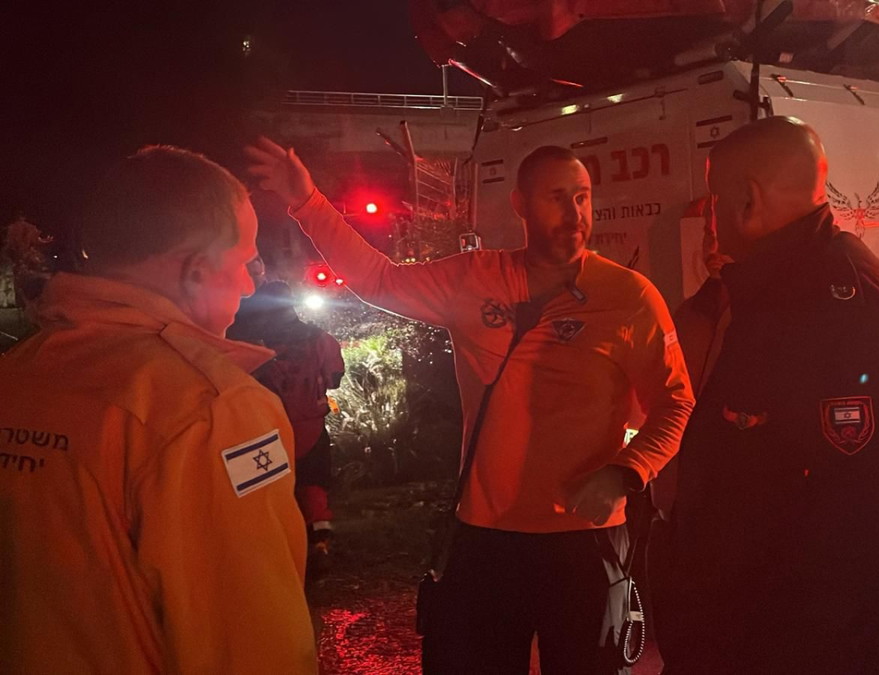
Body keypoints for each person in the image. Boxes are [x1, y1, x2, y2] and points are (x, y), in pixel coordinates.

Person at [246, 139, 694, 673]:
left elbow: (676, 400)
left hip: (585, 540)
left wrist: (627, 471)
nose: (575, 214)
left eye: (582, 197)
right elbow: (378, 280)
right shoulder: (474, 278)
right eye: (556, 198)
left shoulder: (629, 297)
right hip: (484, 538)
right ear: (520, 205)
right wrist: (307, 202)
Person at [0, 146, 317, 673]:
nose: (248, 284)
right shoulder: (211, 411)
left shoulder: (19, 372)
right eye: (244, 262)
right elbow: (252, 646)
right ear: (196, 271)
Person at [655, 117, 879, 674]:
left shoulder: (837, 306)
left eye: (714, 201)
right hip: (751, 631)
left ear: (747, 200)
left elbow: (859, 522)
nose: (711, 219)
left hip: (796, 648)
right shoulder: (776, 291)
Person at [242, 281, 345, 576]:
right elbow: (335, 377)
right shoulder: (319, 338)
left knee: (272, 489)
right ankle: (320, 543)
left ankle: (278, 552)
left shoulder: (249, 344)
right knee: (313, 484)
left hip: (265, 429)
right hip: (310, 427)